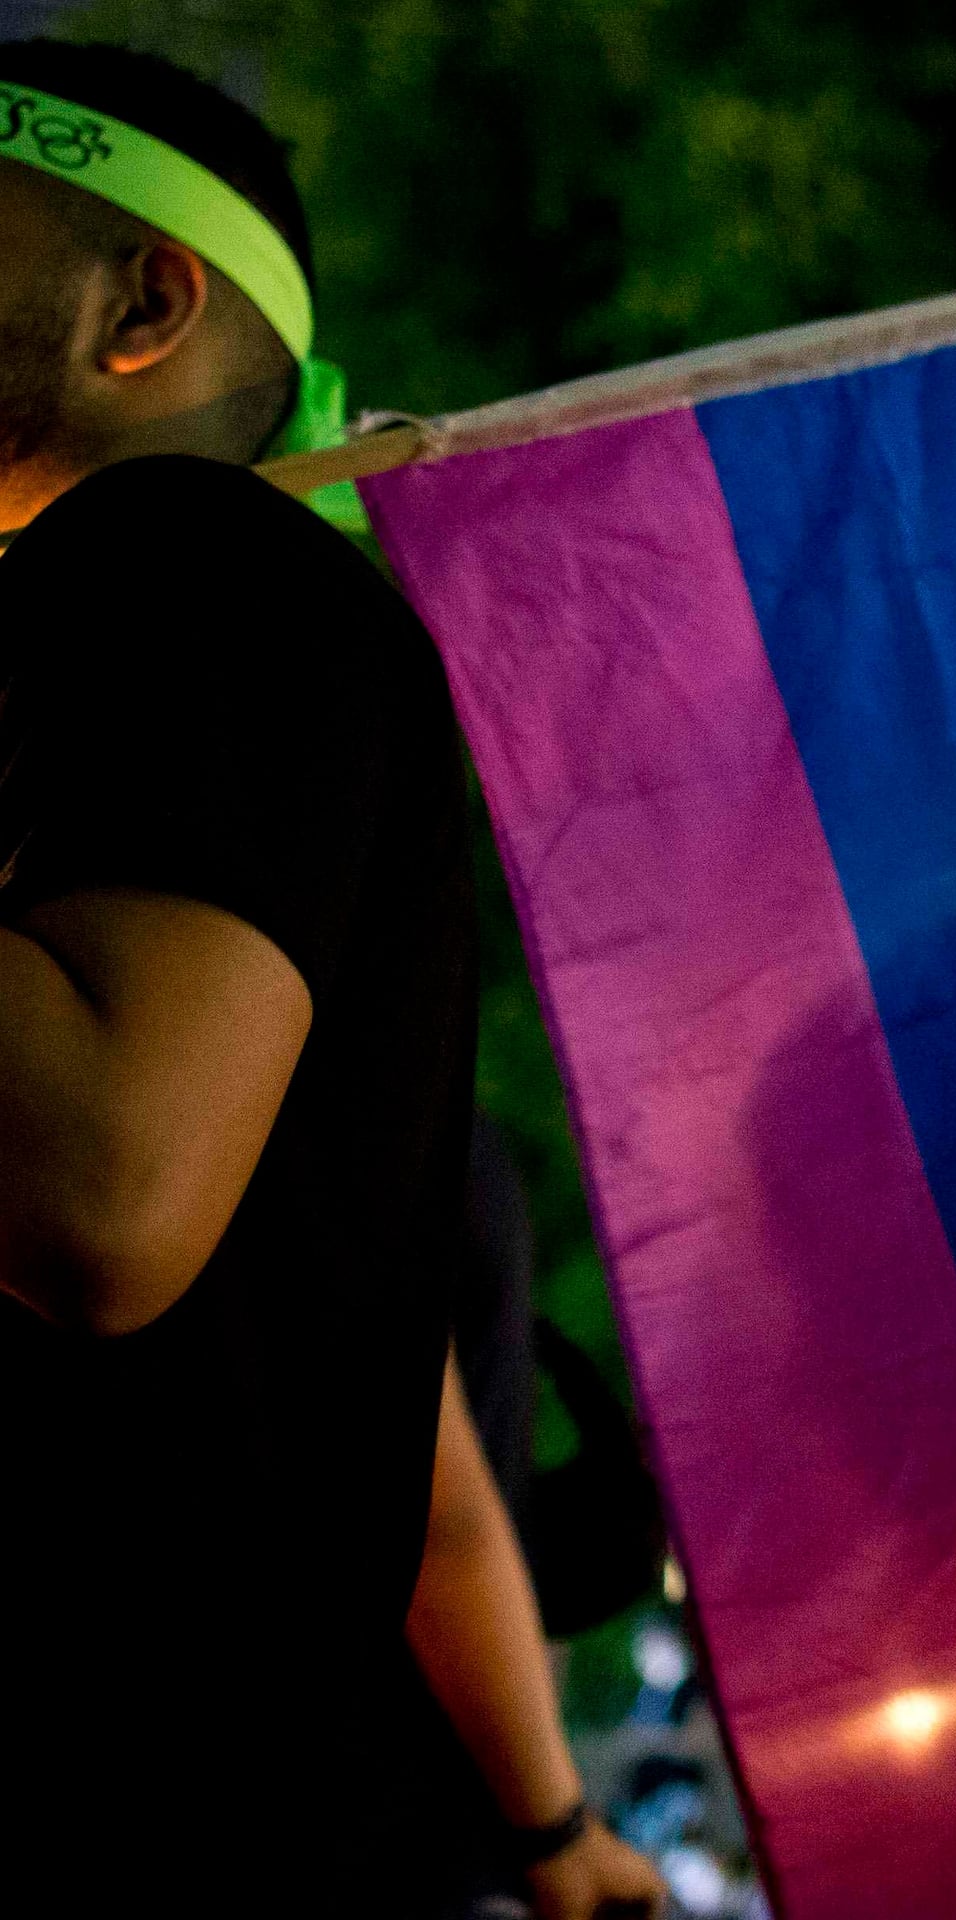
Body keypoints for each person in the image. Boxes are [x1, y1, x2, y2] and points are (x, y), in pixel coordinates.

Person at [0, 40, 663, 1918]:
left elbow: (100, 1188)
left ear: (148, 302)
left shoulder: (188, 558)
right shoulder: (142, 664)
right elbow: (429, 1479)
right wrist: (548, 1836)